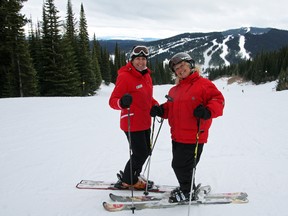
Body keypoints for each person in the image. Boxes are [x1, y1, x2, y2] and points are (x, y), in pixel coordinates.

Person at [150, 52, 225, 202]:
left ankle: (187, 191)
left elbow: (219, 100)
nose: (180, 70)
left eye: (182, 65)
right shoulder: (174, 90)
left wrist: (208, 111)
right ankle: (187, 187)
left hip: (194, 136)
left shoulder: (204, 84)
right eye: (176, 68)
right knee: (183, 166)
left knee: (180, 166)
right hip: (177, 136)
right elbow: (170, 108)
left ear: (191, 65)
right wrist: (160, 110)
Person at [109, 45, 159, 190]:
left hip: (145, 121)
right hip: (131, 122)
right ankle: (128, 179)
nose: (141, 62)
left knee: (146, 151)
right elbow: (113, 101)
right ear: (132, 60)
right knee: (140, 153)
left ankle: (134, 174)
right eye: (138, 59)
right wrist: (122, 102)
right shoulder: (125, 76)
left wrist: (155, 106)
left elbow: (147, 98)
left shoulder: (146, 75)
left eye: (143, 59)